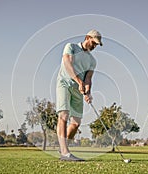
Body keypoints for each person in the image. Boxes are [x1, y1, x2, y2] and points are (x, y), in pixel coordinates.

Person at [56, 29, 103, 161]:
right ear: (87, 38)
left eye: (96, 45)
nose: (94, 47)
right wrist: (78, 81)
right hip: (64, 84)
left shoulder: (92, 60)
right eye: (93, 43)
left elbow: (88, 79)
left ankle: (63, 146)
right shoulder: (71, 47)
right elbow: (67, 64)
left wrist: (88, 91)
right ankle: (65, 153)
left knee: (76, 123)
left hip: (78, 89)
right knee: (64, 115)